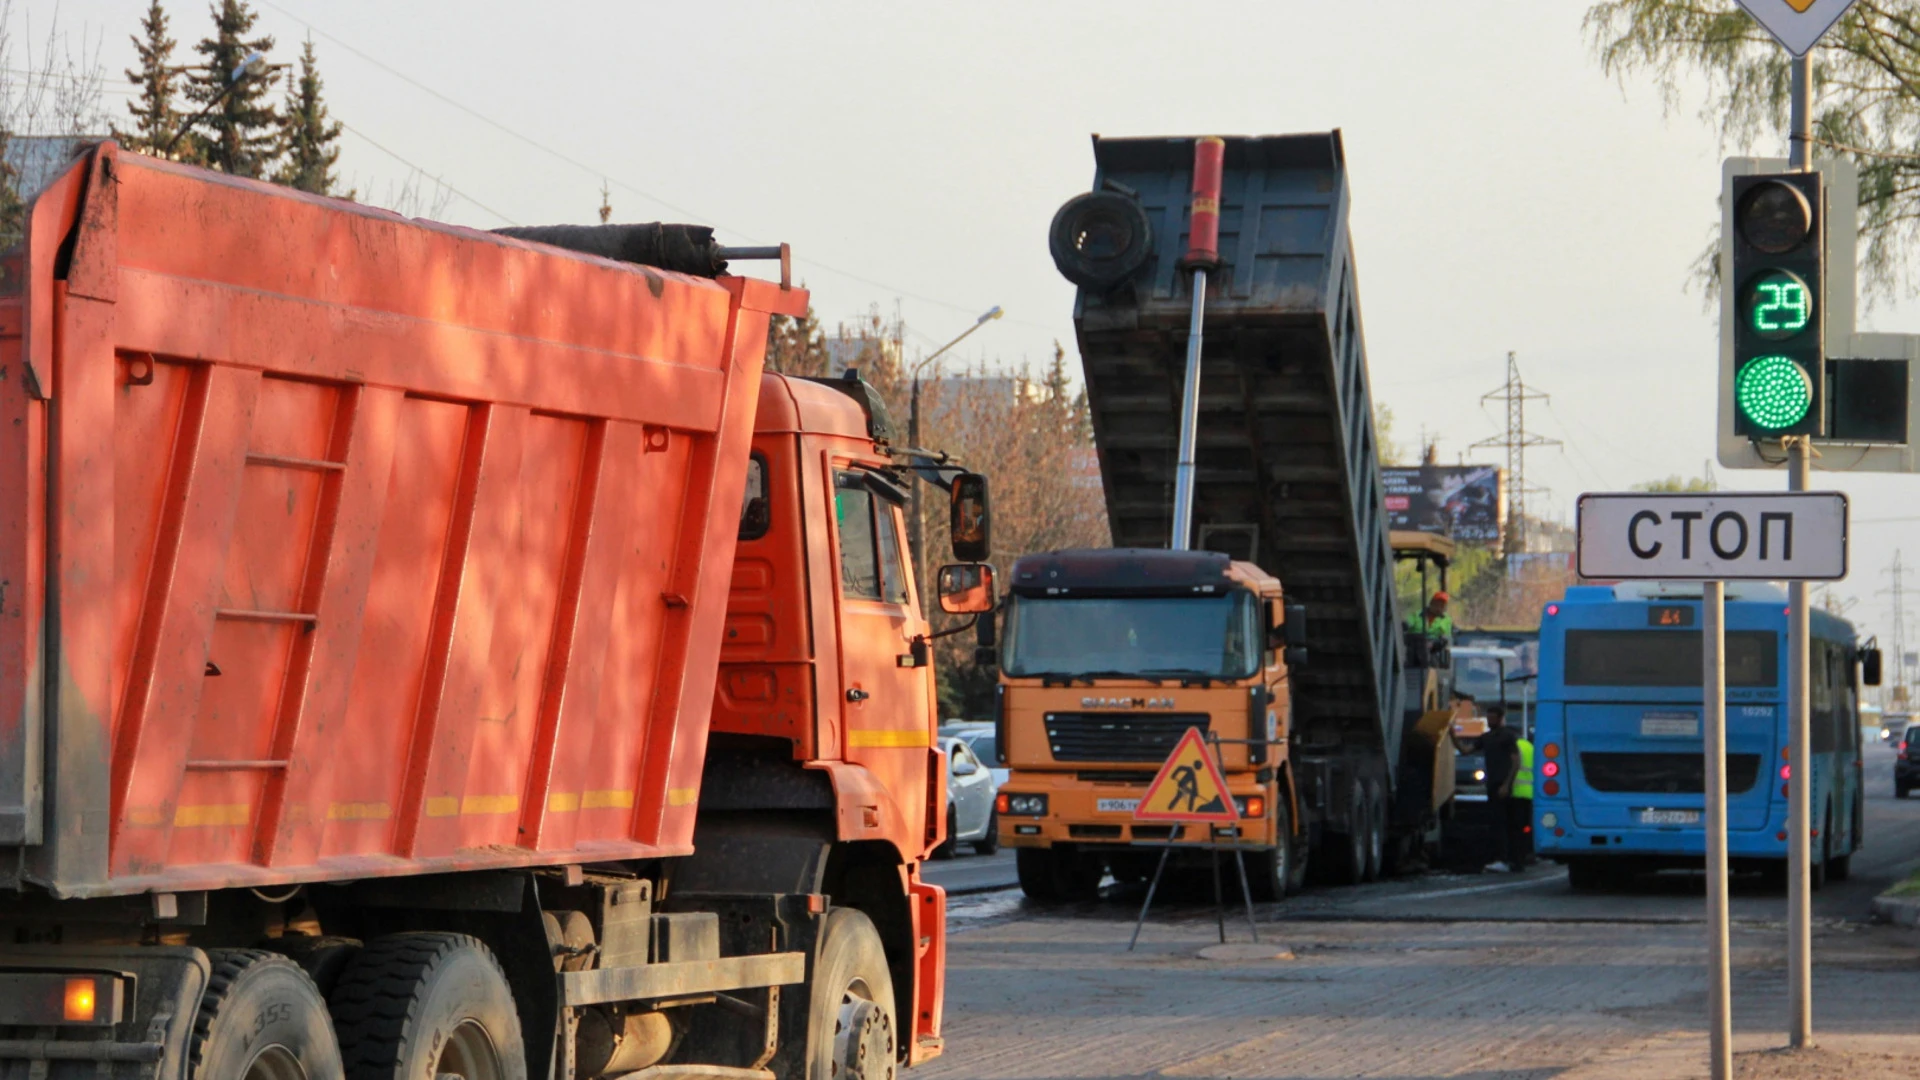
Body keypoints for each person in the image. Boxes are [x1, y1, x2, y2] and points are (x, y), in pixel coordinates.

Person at [1480, 703, 1521, 873]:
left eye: (1492, 718)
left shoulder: (1507, 736)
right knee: (1497, 822)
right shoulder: (1487, 737)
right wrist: (1451, 736)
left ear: (1500, 718)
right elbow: (1467, 750)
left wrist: (1507, 784)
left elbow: (1516, 761)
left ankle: (1506, 859)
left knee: (1504, 823)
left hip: (1503, 785)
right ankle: (1506, 859)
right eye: (1488, 718)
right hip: (1493, 784)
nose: (1489, 721)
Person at [1511, 727, 1535, 870]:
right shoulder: (1529, 746)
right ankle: (1528, 853)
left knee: (1515, 828)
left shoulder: (1513, 747)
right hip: (1530, 792)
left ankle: (1517, 858)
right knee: (1526, 827)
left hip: (1516, 791)